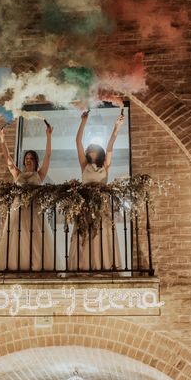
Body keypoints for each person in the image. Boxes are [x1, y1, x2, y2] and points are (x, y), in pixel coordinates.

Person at [68, 110, 124, 272]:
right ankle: (84, 266)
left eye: (93, 146)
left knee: (101, 233)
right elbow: (77, 141)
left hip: (101, 205)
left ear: (98, 151)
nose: (89, 147)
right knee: (85, 234)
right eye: (89, 146)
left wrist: (116, 128)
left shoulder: (105, 165)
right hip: (85, 204)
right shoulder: (84, 164)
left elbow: (110, 145)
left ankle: (103, 265)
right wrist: (83, 121)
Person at [0, 120, 54, 272]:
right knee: (16, 235)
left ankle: (36, 265)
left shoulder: (39, 174)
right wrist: (2, 139)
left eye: (31, 158)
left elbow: (48, 156)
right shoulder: (18, 174)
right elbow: (8, 160)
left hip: (34, 209)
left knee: (34, 236)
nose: (28, 160)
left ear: (35, 161)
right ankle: (17, 264)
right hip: (18, 209)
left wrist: (49, 136)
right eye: (26, 159)